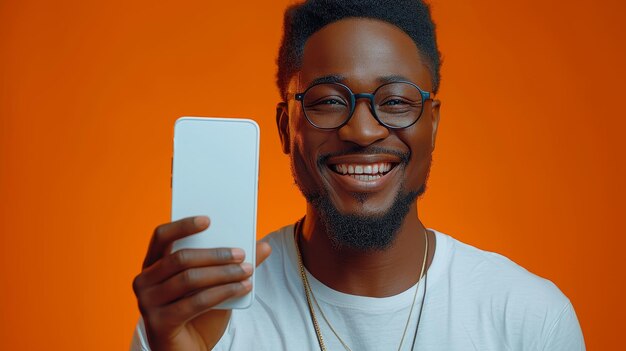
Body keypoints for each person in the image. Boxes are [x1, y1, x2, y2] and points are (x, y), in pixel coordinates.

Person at [131, 1, 585, 350]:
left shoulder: (527, 317)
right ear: (287, 128)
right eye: (328, 101)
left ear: (433, 124)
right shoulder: (200, 315)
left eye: (395, 101)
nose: (363, 131)